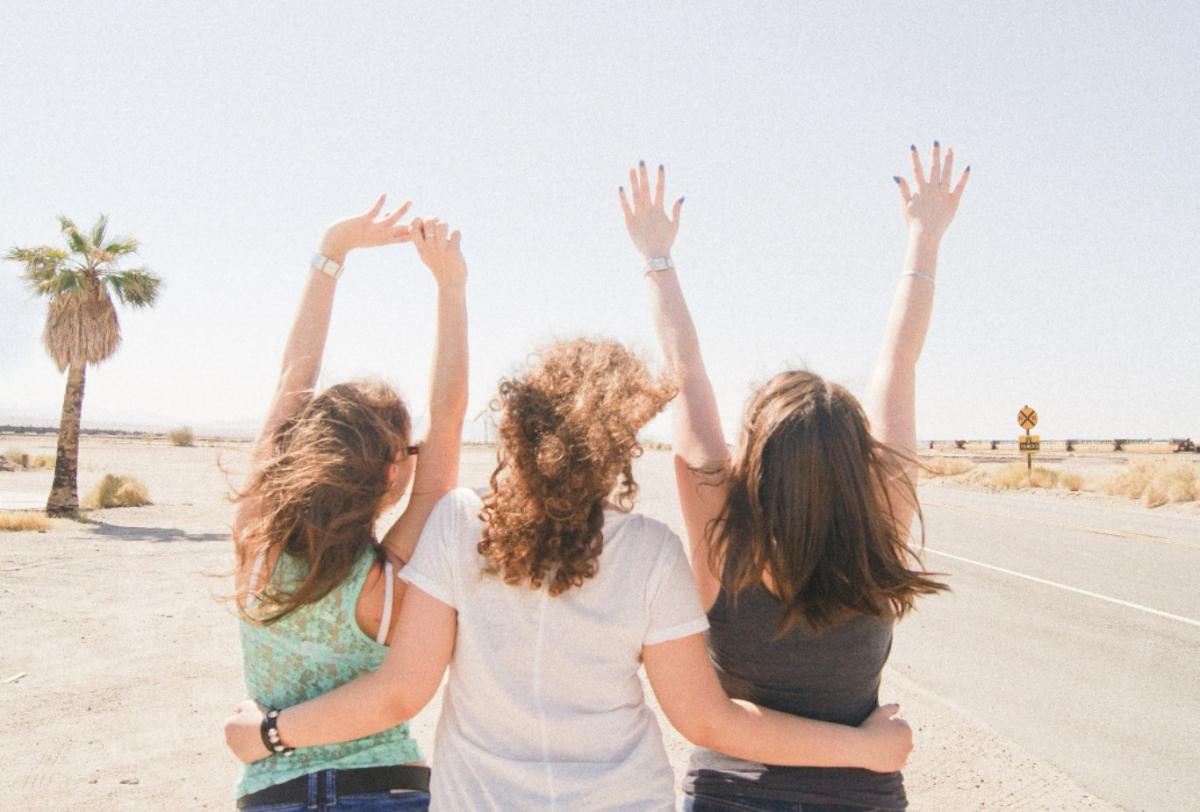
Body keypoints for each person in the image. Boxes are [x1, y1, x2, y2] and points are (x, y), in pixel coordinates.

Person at [224, 335, 913, 811]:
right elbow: (707, 718)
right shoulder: (650, 552)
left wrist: (272, 733)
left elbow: (403, 689)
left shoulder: (461, 525)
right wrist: (862, 748)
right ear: (617, 445)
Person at [624, 147, 966, 811]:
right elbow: (899, 361)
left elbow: (684, 370)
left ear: (755, 452)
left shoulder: (722, 528)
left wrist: (657, 257)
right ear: (858, 457)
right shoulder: (884, 518)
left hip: (732, 793)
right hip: (862, 797)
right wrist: (924, 239)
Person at [228, 196, 469, 811]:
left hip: (273, 791)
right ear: (394, 470)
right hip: (385, 787)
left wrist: (331, 252)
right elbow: (449, 414)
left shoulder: (254, 536)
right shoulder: (387, 577)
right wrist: (450, 286)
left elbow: (293, 376)